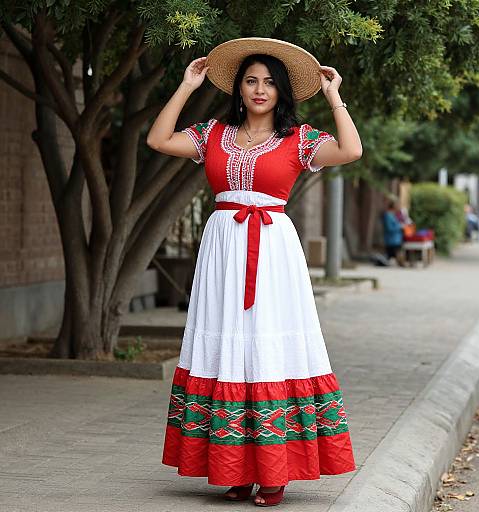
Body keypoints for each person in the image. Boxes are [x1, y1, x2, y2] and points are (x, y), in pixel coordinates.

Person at [147, 37, 362, 507]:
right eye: (251, 81)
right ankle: (235, 468)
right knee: (227, 346)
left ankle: (274, 471)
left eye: (268, 83)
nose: (259, 90)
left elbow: (351, 150)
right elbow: (158, 140)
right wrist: (186, 87)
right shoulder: (212, 134)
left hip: (273, 255)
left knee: (266, 343)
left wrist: (334, 96)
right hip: (223, 251)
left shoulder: (299, 139)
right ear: (239, 89)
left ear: (281, 92)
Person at [381, 199, 406, 266]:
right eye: (398, 205)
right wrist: (400, 227)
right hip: (392, 240)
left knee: (394, 254)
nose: (399, 207)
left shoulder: (393, 215)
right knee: (392, 255)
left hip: (397, 239)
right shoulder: (388, 215)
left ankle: (399, 262)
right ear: (394, 206)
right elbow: (389, 228)